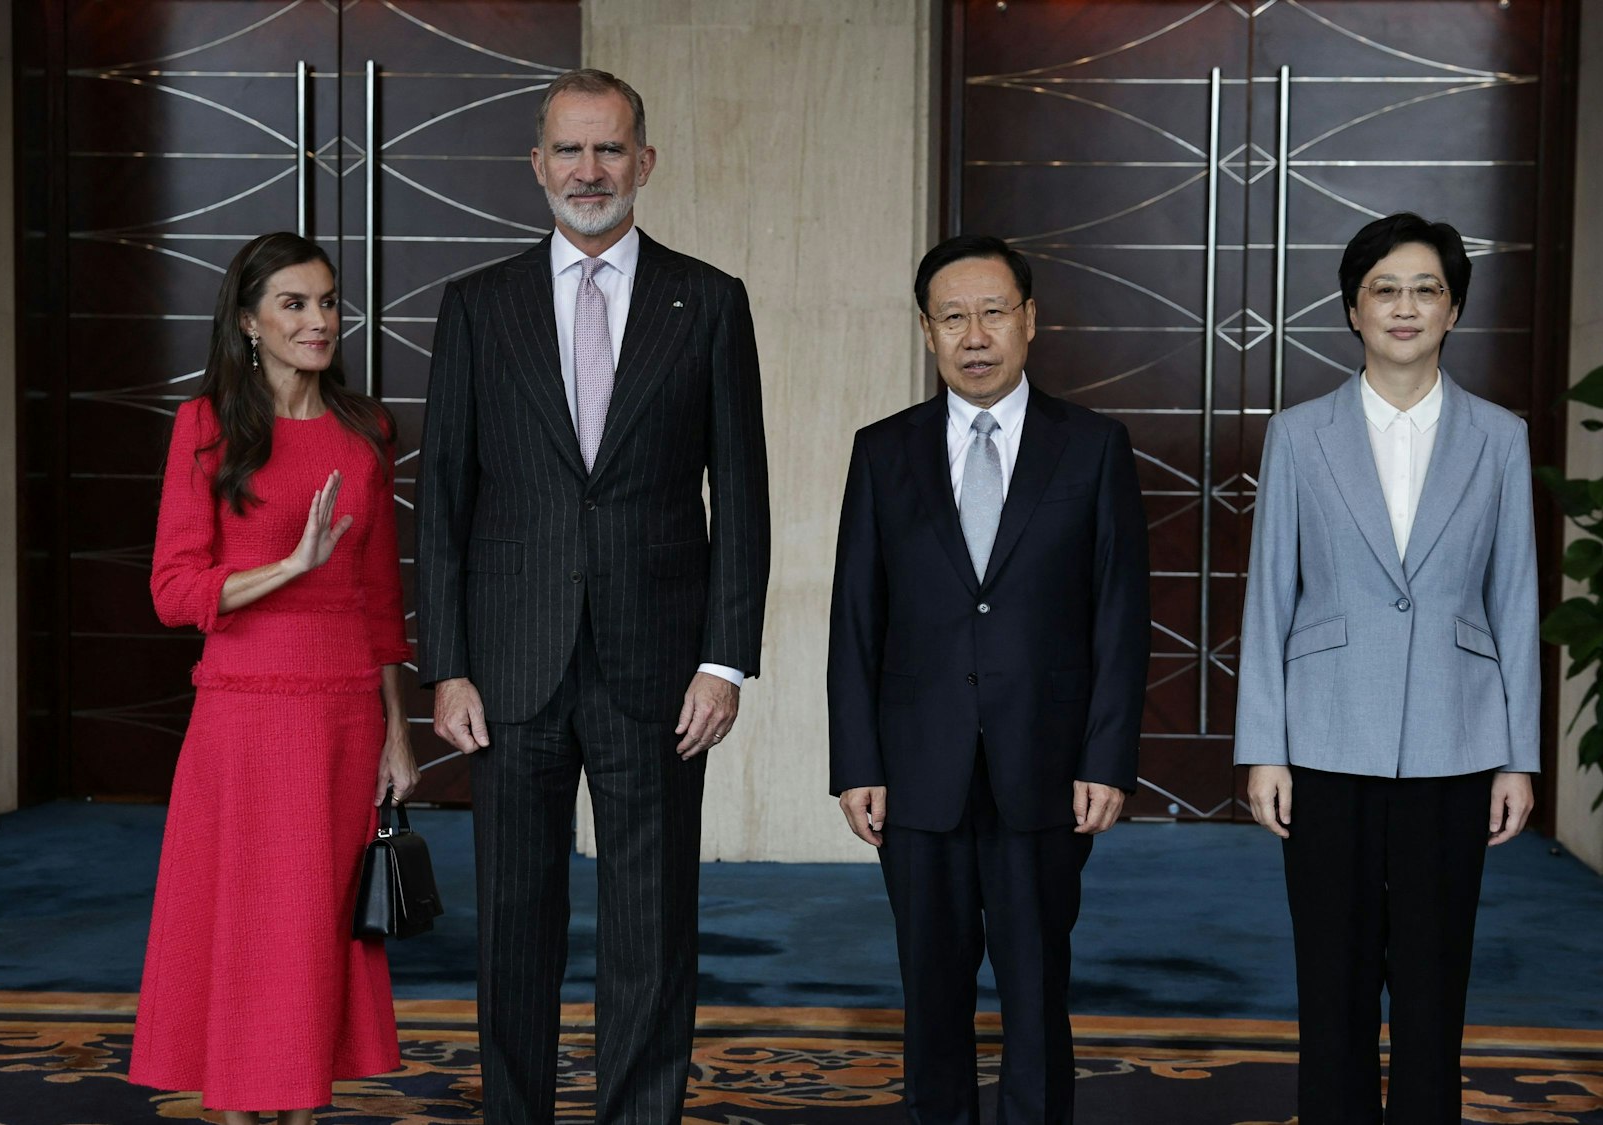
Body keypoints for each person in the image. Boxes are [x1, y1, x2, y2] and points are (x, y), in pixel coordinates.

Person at [414, 69, 770, 1123]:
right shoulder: (476, 306)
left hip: (657, 671)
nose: (587, 171)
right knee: (513, 928)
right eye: (567, 151)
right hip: (507, 668)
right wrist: (447, 662)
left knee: (652, 927)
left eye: (608, 150)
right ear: (536, 166)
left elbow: (740, 492)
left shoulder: (706, 300)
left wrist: (724, 657)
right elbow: (441, 498)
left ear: (644, 163)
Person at [828, 235, 1151, 1125]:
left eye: (994, 312)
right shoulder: (882, 453)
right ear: (928, 333)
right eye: (953, 317)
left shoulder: (1091, 449)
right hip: (917, 769)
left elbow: (1120, 617)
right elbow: (856, 617)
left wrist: (1109, 757)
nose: (976, 335)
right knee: (929, 992)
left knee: (1038, 988)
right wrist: (856, 760)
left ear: (1030, 321)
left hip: (1046, 769)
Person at [1234, 212, 1541, 1123]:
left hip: (1456, 738)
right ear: (1354, 310)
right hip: (1324, 739)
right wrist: (1264, 747)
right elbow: (1269, 598)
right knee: (1331, 983)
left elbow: (1515, 598)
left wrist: (1517, 755)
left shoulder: (1500, 436)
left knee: (1434, 988)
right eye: (1385, 289)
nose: (1405, 307)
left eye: (1426, 290)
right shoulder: (1299, 434)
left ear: (1453, 312)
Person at [130, 232, 418, 1123]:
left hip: (343, 719)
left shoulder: (367, 427)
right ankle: (239, 1099)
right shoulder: (207, 426)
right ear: (249, 322)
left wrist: (400, 737)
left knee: (311, 932)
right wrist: (291, 566)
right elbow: (174, 589)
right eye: (294, 303)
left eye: (329, 300)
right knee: (250, 923)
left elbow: (379, 604)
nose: (319, 320)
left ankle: (297, 1104)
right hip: (245, 717)